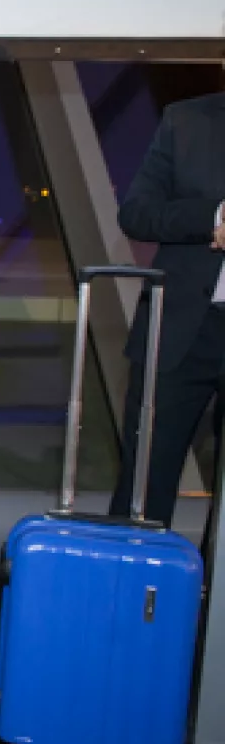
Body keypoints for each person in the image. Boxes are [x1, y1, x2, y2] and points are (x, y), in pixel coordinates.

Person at [113, 90, 225, 527]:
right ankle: (130, 571)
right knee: (143, 489)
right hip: (180, 332)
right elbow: (137, 214)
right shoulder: (186, 120)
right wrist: (213, 219)